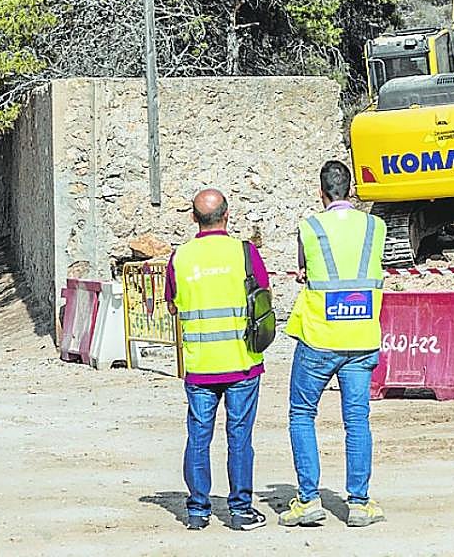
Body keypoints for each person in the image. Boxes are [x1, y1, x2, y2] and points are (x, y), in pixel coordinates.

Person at [279, 159, 386, 528]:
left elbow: (303, 271)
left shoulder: (308, 228)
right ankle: (359, 503)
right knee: (357, 421)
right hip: (361, 337)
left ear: (320, 192)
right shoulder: (377, 226)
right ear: (352, 190)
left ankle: (309, 499)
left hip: (320, 337)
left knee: (302, 414)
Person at [165, 188, 269, 532]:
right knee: (239, 437)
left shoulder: (180, 258)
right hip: (242, 362)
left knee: (198, 436)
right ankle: (240, 510)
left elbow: (172, 304)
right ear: (227, 215)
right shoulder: (244, 253)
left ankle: (197, 510)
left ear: (194, 219)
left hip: (200, 366)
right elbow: (264, 299)